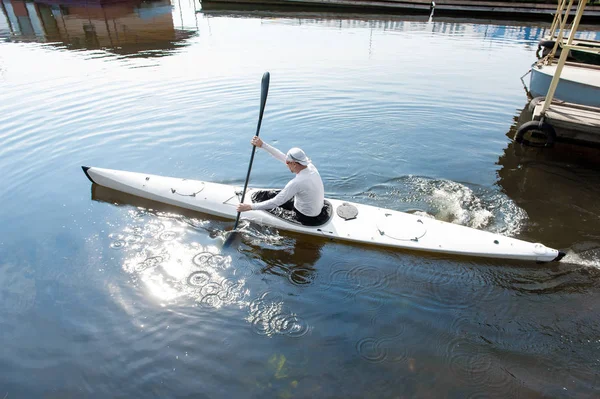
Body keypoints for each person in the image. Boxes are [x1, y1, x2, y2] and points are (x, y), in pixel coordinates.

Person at [236, 136, 327, 226]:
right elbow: (282, 156)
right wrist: (262, 145)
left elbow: (276, 202)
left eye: (288, 162)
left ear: (294, 164)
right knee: (272, 195)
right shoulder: (310, 166)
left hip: (304, 217)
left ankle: (251, 205)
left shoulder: (297, 182)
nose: (286, 164)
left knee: (272, 204)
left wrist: (249, 207)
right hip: (314, 209)